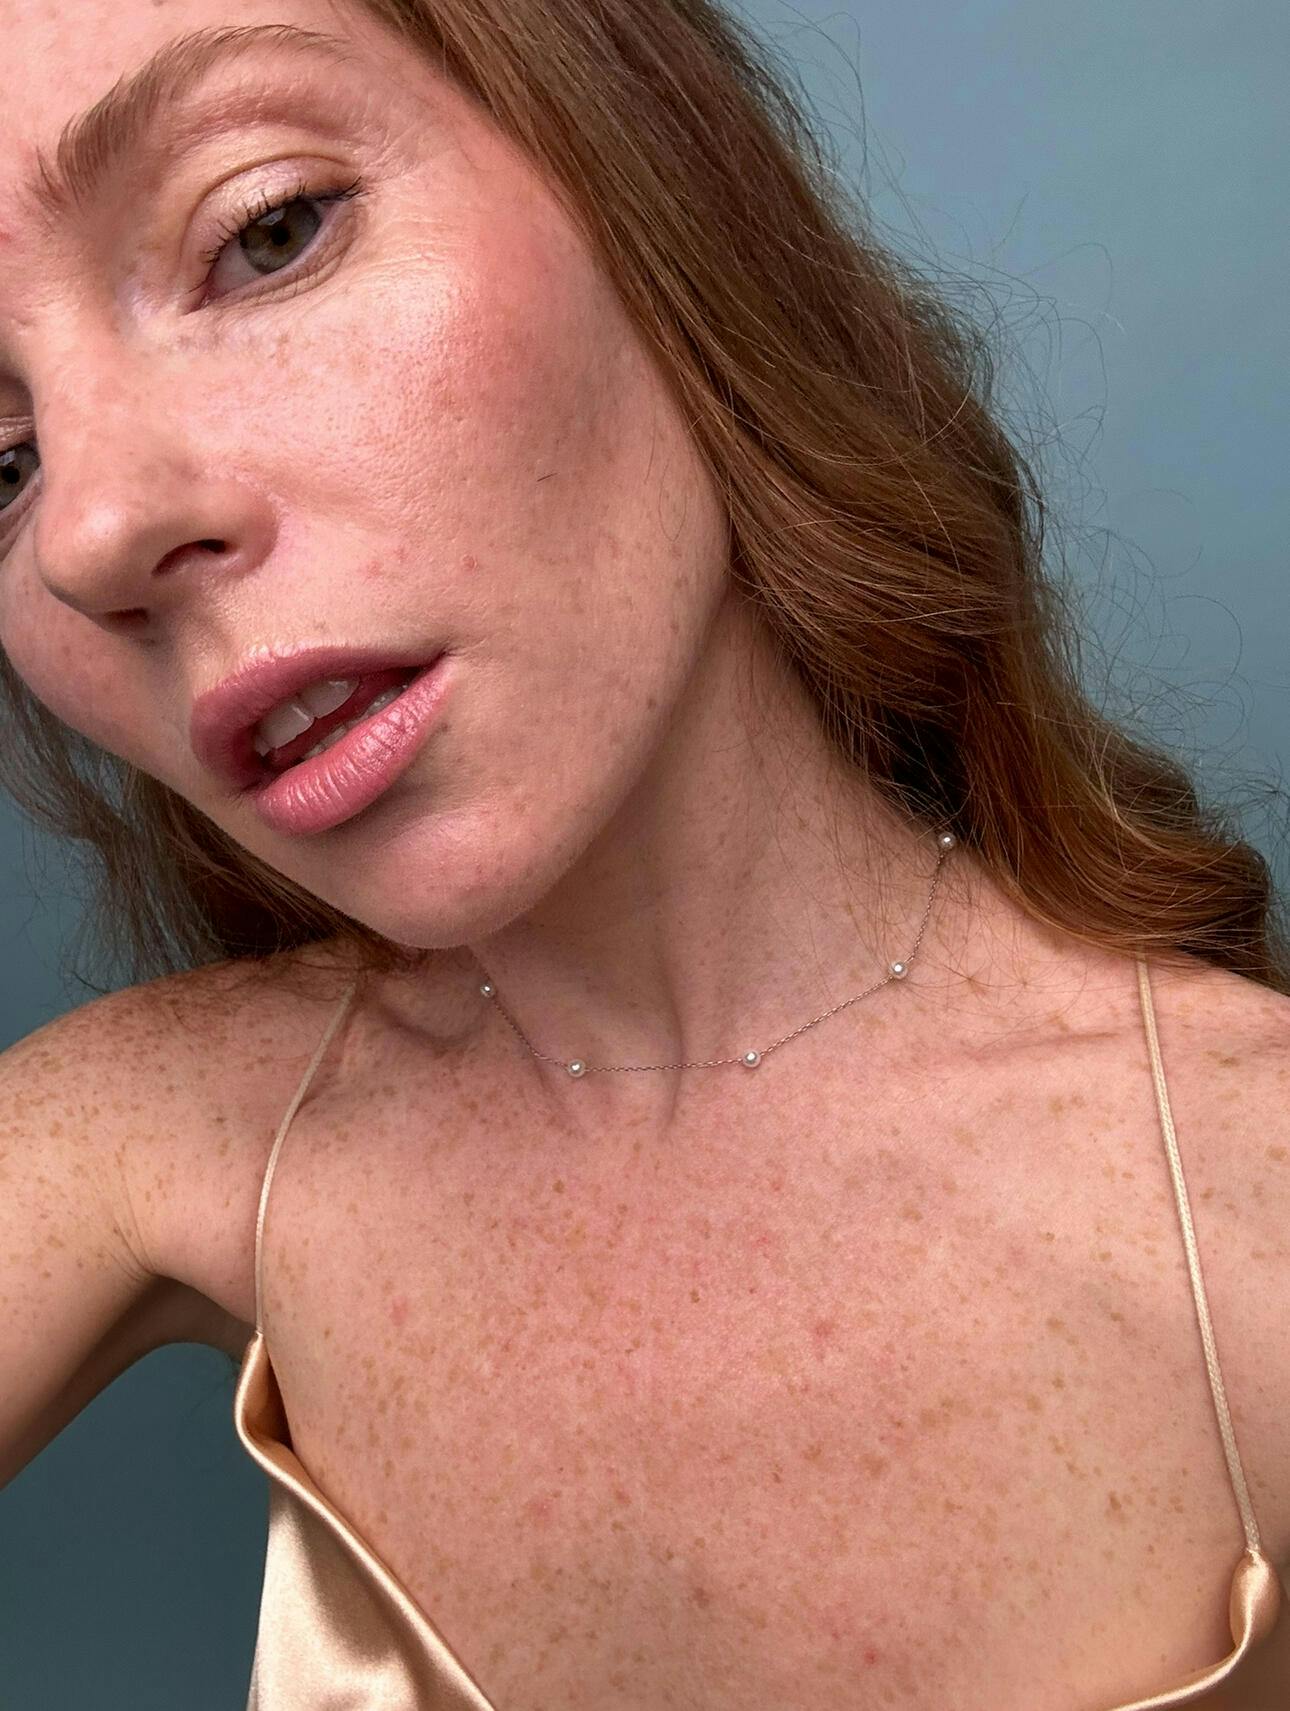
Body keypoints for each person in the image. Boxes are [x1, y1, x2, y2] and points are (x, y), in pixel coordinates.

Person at [1, 0, 1286, 1705]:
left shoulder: (1246, 1203)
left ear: (655, 194)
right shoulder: (148, 1133)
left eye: (268, 230)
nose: (89, 533)